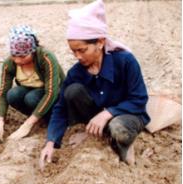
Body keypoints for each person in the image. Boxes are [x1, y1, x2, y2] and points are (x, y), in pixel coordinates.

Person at [39, 0, 150, 170]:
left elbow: (139, 99)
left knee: (118, 127)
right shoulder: (76, 72)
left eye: (82, 50)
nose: (77, 56)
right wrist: (51, 142)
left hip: (127, 114)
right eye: (73, 51)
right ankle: (94, 133)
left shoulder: (125, 62)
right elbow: (60, 108)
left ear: (100, 42)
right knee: (72, 91)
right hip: (97, 118)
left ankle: (123, 146)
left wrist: (108, 113)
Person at [0, 25, 65, 143]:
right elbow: (3, 92)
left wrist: (27, 125)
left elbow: (52, 92)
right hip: (32, 93)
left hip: (56, 95)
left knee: (31, 98)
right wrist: (0, 121)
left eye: (23, 56)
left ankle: (50, 118)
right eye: (14, 55)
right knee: (12, 94)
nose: (18, 61)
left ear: (33, 51)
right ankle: (40, 118)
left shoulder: (46, 58)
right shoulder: (9, 64)